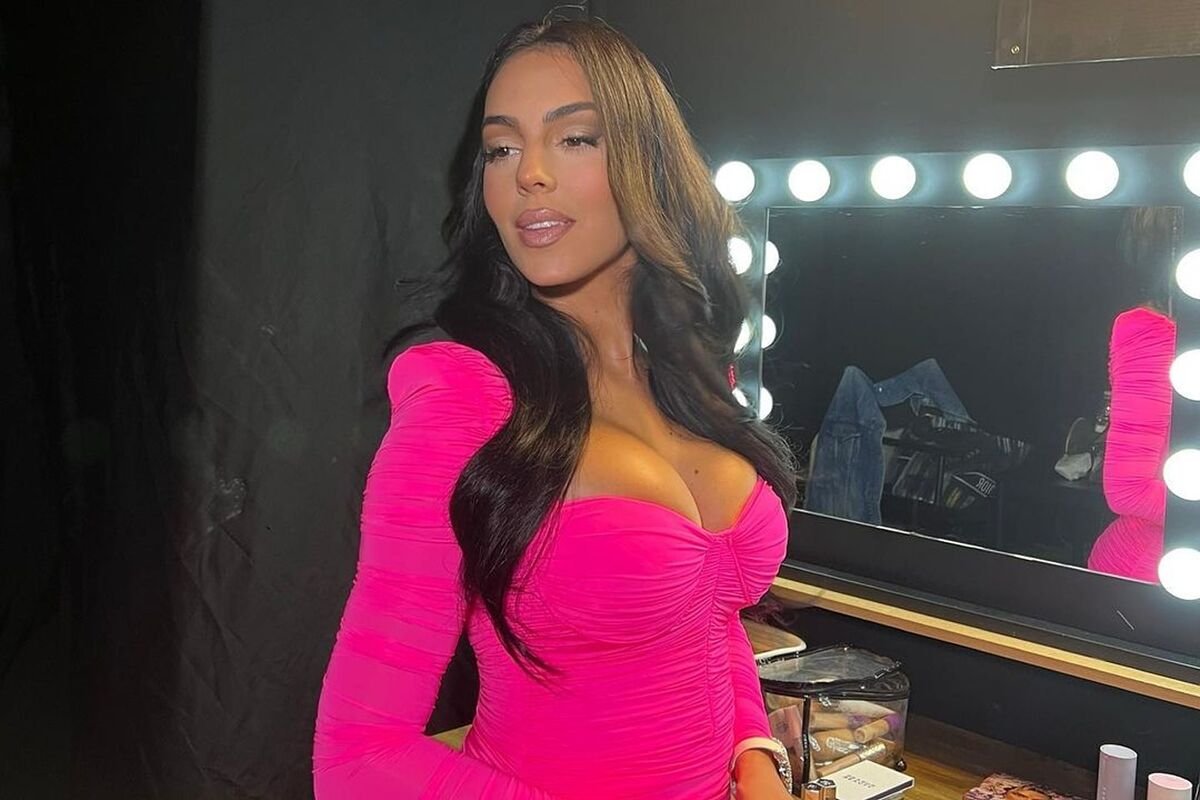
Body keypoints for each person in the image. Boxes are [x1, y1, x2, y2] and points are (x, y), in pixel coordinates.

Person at [312, 13, 799, 799]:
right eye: (502, 148)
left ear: (650, 163)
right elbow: (357, 759)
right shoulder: (464, 402)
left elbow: (708, 620)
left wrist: (756, 756)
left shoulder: (690, 375)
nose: (529, 173)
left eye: (574, 138)